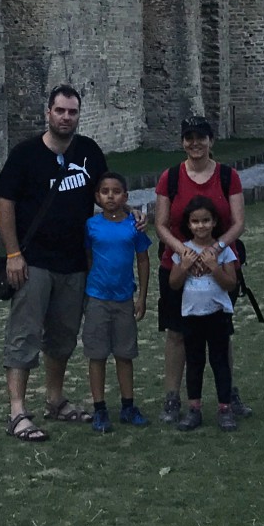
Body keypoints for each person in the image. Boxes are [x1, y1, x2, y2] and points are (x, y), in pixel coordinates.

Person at [0, 85, 107, 443]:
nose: (66, 117)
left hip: (74, 262)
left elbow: (106, 195)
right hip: (34, 262)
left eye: (72, 112)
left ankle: (55, 400)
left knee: (62, 337)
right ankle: (17, 411)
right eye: (60, 111)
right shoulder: (26, 154)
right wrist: (13, 253)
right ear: (48, 113)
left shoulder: (88, 152)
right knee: (24, 335)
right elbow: (4, 203)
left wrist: (128, 215)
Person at [152, 116, 246, 423]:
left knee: (220, 334)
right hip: (178, 266)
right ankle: (172, 398)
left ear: (211, 141)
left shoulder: (227, 176)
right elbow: (161, 224)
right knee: (177, 333)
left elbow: (237, 222)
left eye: (201, 137)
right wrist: (184, 252)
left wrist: (215, 250)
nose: (195, 143)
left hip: (217, 264)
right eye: (189, 137)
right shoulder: (171, 178)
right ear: (182, 142)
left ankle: (227, 394)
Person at [81, 172, 152, 432]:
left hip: (124, 298)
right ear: (98, 197)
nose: (110, 196)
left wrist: (142, 296)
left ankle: (128, 405)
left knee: (125, 354)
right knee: (97, 355)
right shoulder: (91, 226)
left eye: (116, 191)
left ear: (125, 196)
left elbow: (143, 260)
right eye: (105, 191)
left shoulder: (134, 226)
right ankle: (99, 408)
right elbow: (88, 258)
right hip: (98, 298)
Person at [169, 195, 241, 432]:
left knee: (220, 361)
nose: (201, 226)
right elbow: (174, 283)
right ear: (188, 224)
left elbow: (231, 283)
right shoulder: (184, 251)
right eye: (195, 221)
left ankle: (225, 408)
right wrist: (184, 266)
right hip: (191, 315)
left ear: (214, 222)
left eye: (206, 221)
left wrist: (214, 268)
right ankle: (194, 409)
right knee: (195, 362)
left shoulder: (224, 251)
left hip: (217, 314)